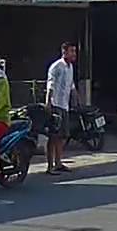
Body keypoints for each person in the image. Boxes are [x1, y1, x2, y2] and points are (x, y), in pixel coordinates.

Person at [45, 42, 77, 175]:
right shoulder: (56, 66)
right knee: (53, 136)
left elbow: (71, 84)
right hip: (56, 104)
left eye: (74, 51)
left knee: (62, 136)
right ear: (64, 52)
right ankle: (50, 166)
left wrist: (75, 97)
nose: (74, 54)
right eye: (71, 51)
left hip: (65, 105)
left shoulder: (70, 67)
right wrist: (48, 103)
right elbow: (50, 84)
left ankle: (58, 162)